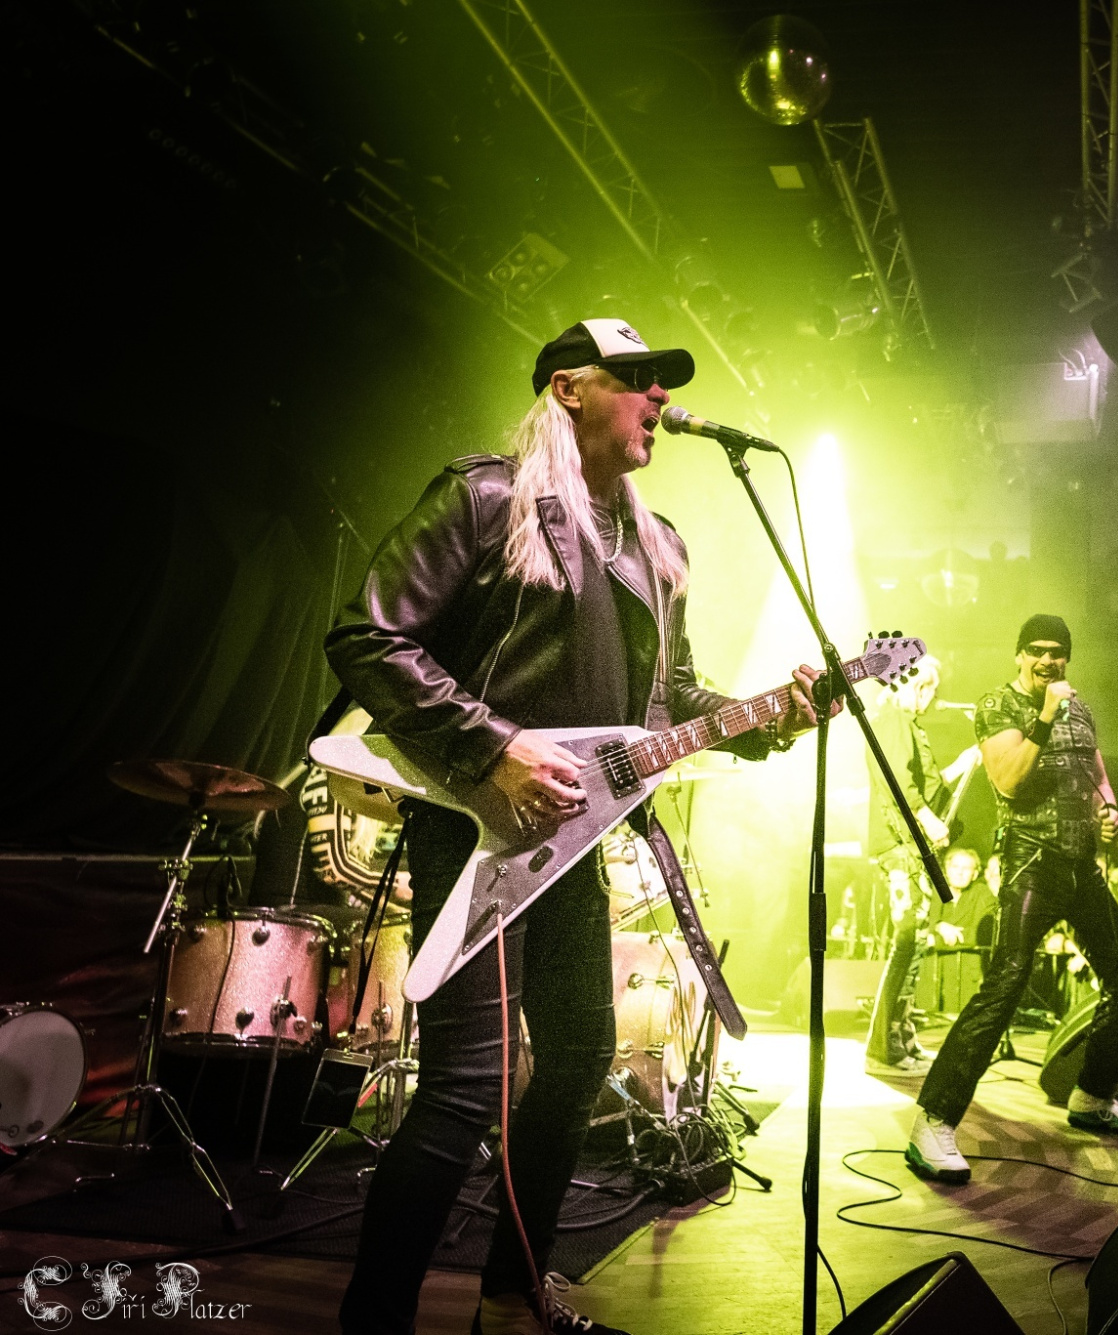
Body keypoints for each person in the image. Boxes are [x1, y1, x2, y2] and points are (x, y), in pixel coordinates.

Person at [323, 318, 829, 1335]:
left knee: (580, 1055)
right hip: (475, 823)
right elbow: (367, 635)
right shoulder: (486, 498)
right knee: (466, 1083)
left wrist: (767, 716)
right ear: (568, 389)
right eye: (636, 378)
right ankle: (372, 1319)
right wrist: (493, 747)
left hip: (575, 839)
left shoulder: (657, 545)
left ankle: (514, 1290)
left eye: (662, 384)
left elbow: (668, 702)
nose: (658, 399)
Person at [906, 615, 1118, 1184]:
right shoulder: (999, 706)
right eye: (1036, 650)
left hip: (1081, 865)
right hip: (1032, 862)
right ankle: (933, 1123)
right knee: (1006, 985)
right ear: (1019, 655)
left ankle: (1092, 1097)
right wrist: (1044, 716)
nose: (1047, 660)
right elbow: (1010, 779)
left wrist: (1110, 811)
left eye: (1057, 652)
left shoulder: (1079, 708)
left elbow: (1095, 769)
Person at [864, 654, 981, 1075]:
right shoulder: (893, 719)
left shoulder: (908, 725)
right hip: (898, 844)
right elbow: (898, 782)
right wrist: (928, 821)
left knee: (914, 941)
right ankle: (885, 1045)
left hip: (909, 845)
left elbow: (923, 788)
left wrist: (961, 765)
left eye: (932, 688)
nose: (929, 696)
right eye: (923, 686)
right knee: (908, 939)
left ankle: (901, 1036)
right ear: (903, 683)